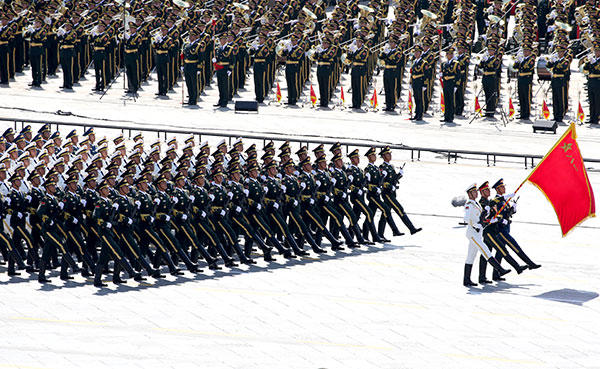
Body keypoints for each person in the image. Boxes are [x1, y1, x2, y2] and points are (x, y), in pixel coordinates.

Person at [462, 183, 510, 287]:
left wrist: (488, 219)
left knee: (471, 256)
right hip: (472, 232)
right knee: (485, 250)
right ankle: (500, 269)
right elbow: (466, 218)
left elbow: (481, 217)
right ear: (469, 193)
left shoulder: (476, 204)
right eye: (474, 192)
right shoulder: (469, 204)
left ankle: (466, 280)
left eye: (476, 191)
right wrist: (475, 225)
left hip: (478, 233)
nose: (476, 193)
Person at [545, 45, 571, 123]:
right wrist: (550, 61)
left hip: (561, 81)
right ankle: (555, 115)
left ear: (563, 53)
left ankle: (560, 115)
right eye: (558, 52)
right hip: (554, 80)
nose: (559, 54)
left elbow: (562, 68)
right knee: (555, 99)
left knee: (561, 99)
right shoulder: (556, 61)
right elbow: (548, 66)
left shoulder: (566, 61)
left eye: (560, 52)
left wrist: (555, 62)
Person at [513, 46, 536, 120]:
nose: (524, 52)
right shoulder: (522, 59)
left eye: (526, 51)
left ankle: (526, 114)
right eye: (524, 51)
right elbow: (514, 67)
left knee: (526, 97)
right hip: (520, 79)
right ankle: (522, 113)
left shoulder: (531, 60)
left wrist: (521, 61)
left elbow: (527, 67)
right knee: (521, 96)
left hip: (527, 79)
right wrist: (517, 61)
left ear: (530, 52)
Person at [379, 36, 401, 112]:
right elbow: (381, 58)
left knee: (392, 89)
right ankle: (388, 105)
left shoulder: (397, 52)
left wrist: (387, 56)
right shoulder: (388, 51)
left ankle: (393, 104)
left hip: (393, 71)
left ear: (395, 44)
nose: (390, 44)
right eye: (390, 42)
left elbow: (394, 60)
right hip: (387, 71)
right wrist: (383, 52)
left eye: (392, 43)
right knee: (387, 89)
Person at [348, 37, 369, 110]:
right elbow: (349, 59)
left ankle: (359, 103)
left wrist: (354, 52)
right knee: (354, 87)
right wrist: (349, 52)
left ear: (362, 42)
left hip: (360, 70)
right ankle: (354, 103)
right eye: (356, 41)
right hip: (354, 69)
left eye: (358, 42)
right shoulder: (355, 49)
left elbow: (361, 57)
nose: (357, 43)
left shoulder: (365, 50)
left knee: (359, 87)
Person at [582, 44, 600, 124]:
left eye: (598, 51)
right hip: (591, 81)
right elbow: (585, 69)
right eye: (595, 51)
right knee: (591, 100)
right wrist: (587, 62)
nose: (596, 52)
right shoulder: (593, 59)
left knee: (597, 101)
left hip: (598, 82)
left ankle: (597, 117)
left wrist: (594, 63)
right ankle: (592, 117)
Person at [214, 33, 233, 108]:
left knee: (225, 86)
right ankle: (220, 100)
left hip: (225, 69)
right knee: (220, 85)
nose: (222, 41)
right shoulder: (218, 49)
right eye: (221, 39)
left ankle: (225, 101)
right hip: (219, 69)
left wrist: (230, 69)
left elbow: (232, 60)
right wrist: (215, 61)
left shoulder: (229, 48)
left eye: (224, 39)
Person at [441, 47, 458, 123]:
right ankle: (446, 115)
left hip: (451, 83)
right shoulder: (444, 64)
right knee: (446, 100)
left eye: (451, 54)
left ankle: (451, 116)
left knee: (451, 100)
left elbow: (458, 75)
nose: (449, 55)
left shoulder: (455, 64)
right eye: (448, 54)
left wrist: (456, 85)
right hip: (445, 83)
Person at [410, 45, 426, 121]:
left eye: (417, 52)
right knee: (416, 98)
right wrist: (411, 82)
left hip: (420, 82)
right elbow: (412, 73)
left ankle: (420, 114)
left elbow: (426, 75)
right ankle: (416, 114)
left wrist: (425, 84)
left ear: (420, 53)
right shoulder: (414, 62)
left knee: (420, 99)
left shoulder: (423, 63)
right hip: (415, 82)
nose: (416, 54)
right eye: (415, 52)